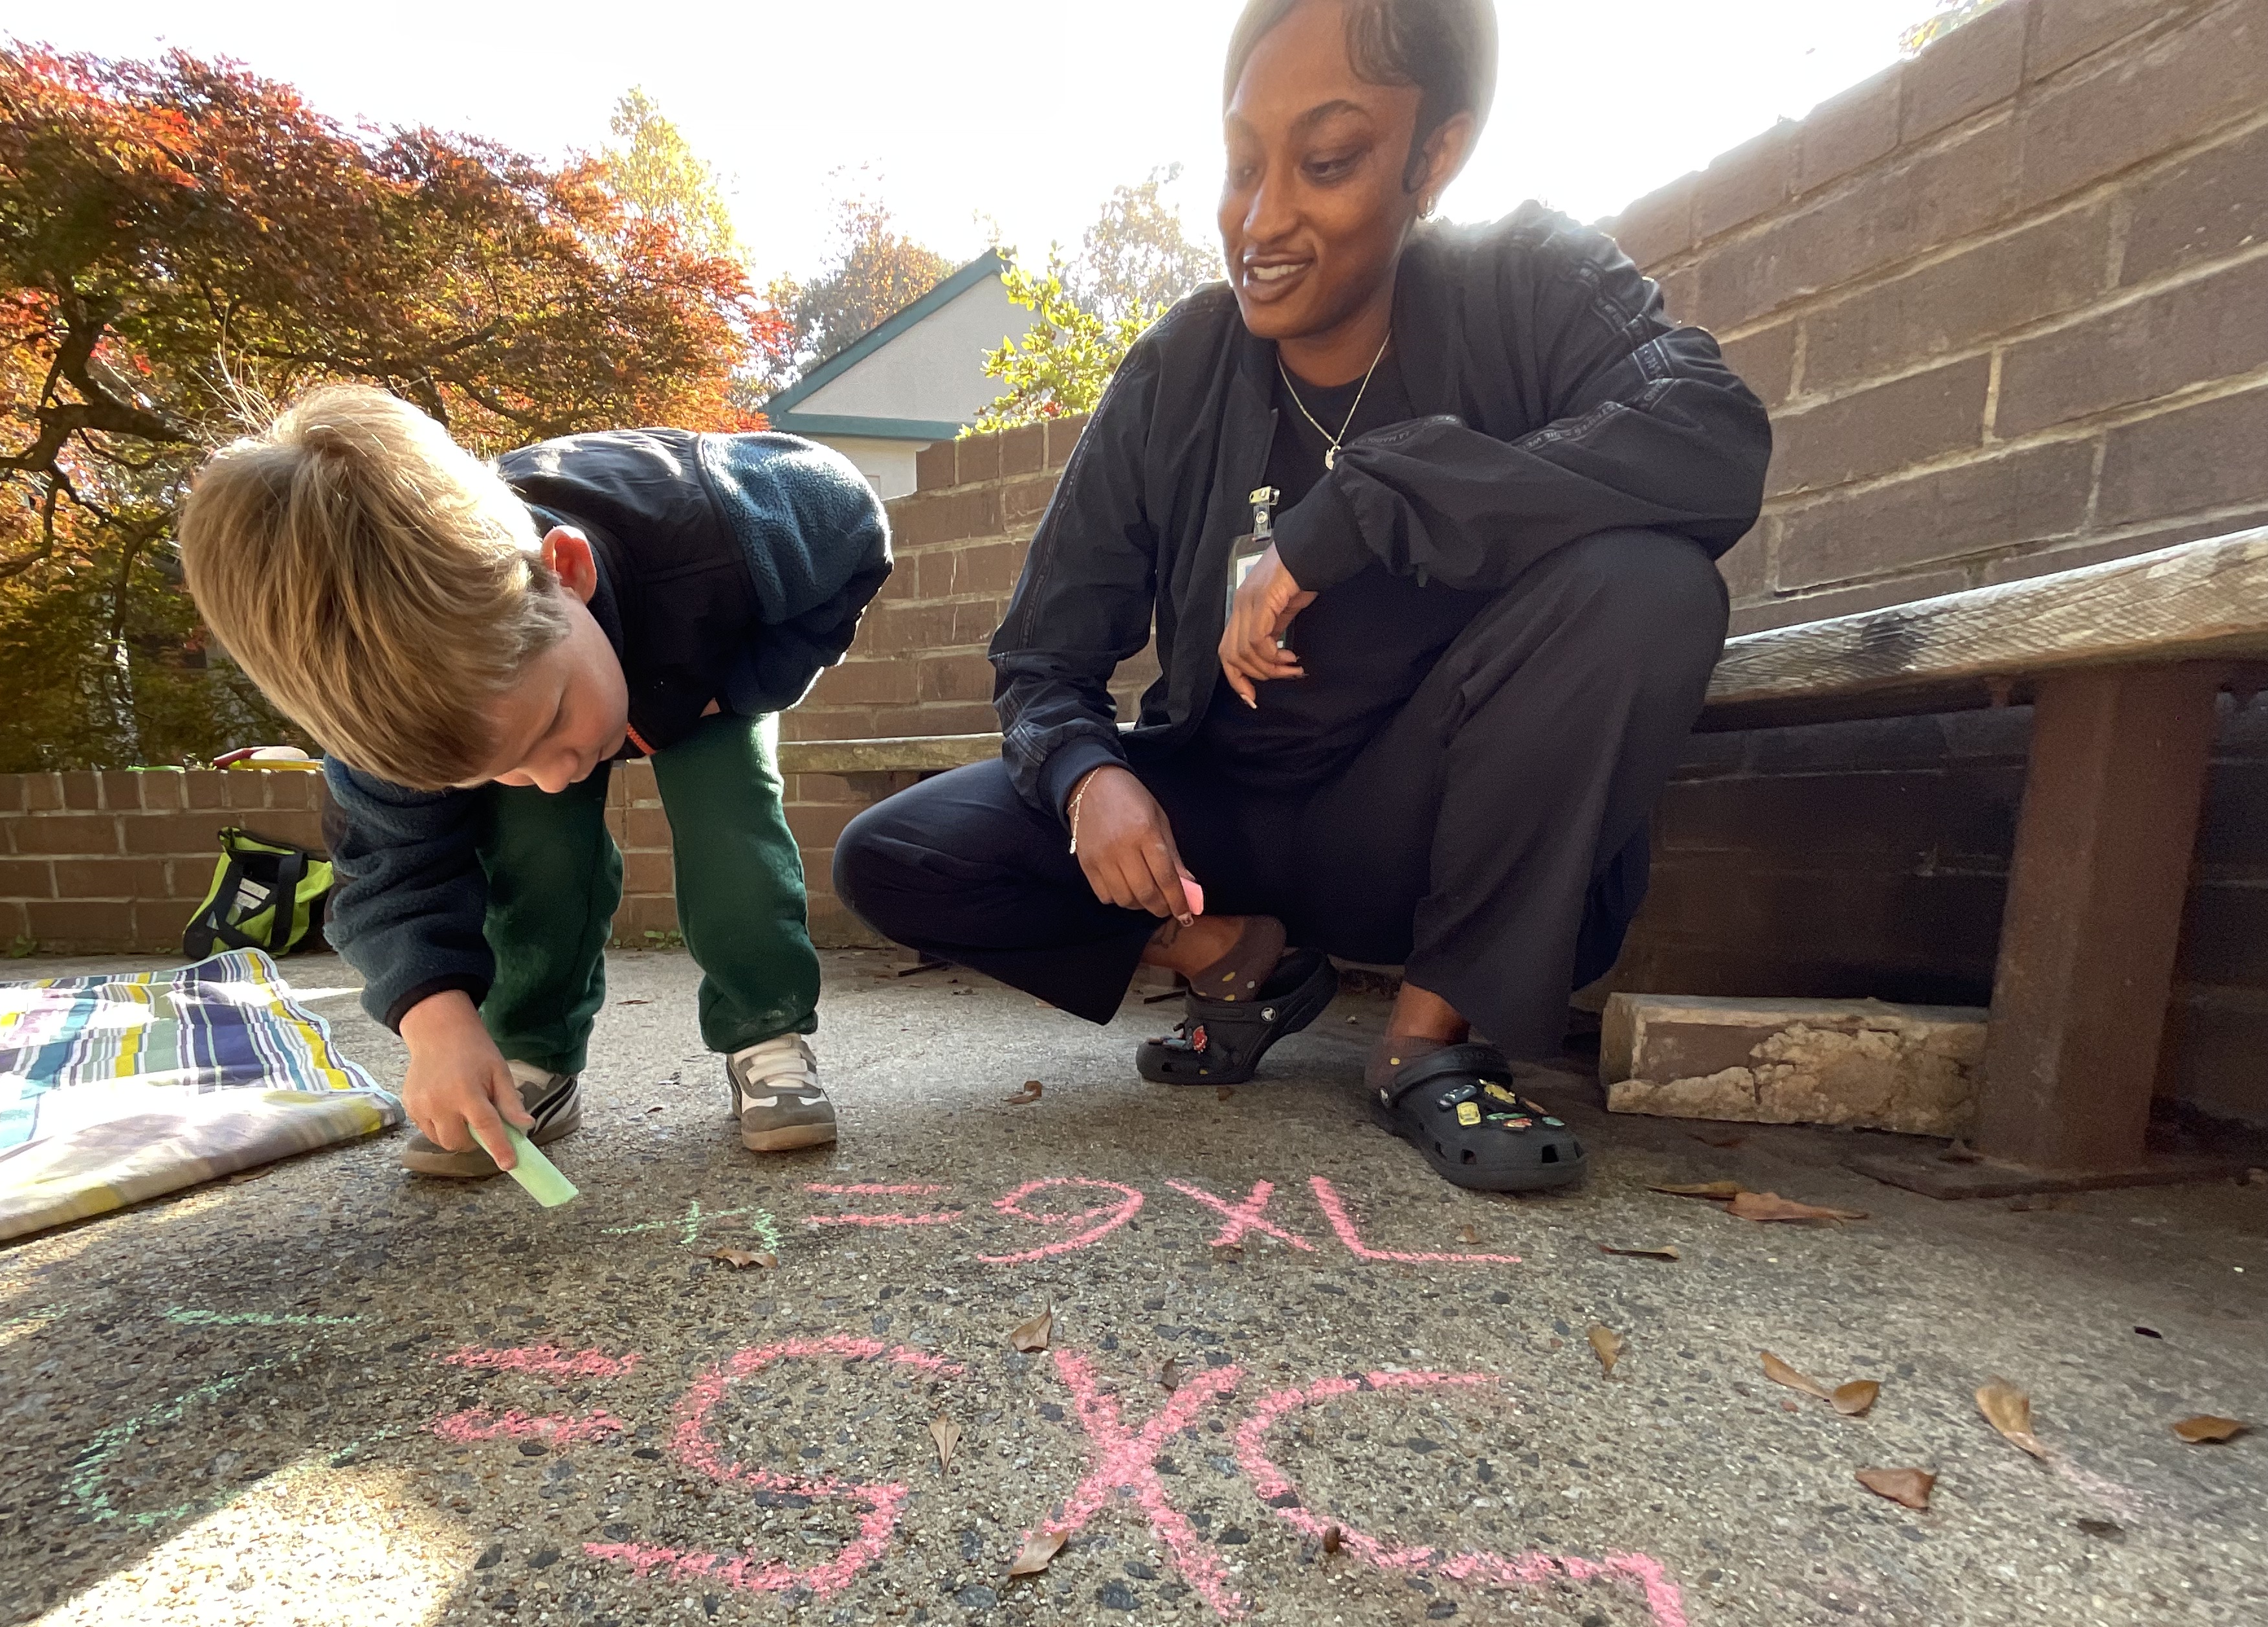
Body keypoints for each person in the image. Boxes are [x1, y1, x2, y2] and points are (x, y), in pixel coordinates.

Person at [834, 0, 1768, 1193]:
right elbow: (1040, 658)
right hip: (1218, 819)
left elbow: (1708, 437)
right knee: (899, 853)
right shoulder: (1179, 370)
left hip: (1423, 829)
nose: (1262, 219)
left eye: (1326, 162)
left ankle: (1432, 1038)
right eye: (1240, 166)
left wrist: (1359, 509)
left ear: (1435, 153)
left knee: (1649, 584)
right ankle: (1244, 964)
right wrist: (1088, 778)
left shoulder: (1529, 285)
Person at [179, 386, 891, 1173]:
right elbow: (388, 874)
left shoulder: (732, 525)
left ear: (568, 571)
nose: (552, 777)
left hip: (699, 652)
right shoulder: (392, 722)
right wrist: (437, 1024)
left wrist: (749, 684)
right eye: (491, 770)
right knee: (533, 851)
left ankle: (768, 1031)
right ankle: (530, 1056)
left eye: (550, 723)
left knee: (733, 835)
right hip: (583, 660)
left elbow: (852, 523)